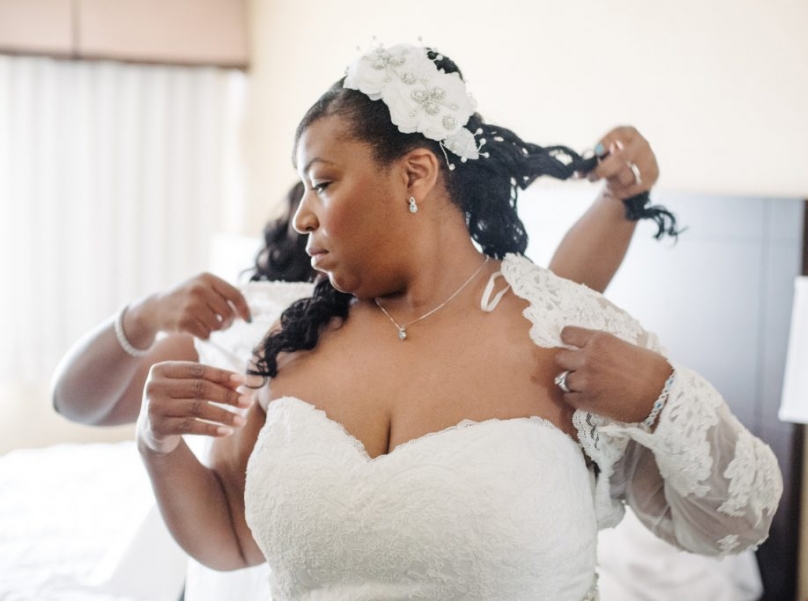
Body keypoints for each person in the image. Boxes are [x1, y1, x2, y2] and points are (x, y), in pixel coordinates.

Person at [131, 43, 781, 600]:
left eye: (321, 183)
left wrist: (662, 399)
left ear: (415, 174)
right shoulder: (288, 344)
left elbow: (738, 523)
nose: (301, 216)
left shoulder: (564, 337)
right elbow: (230, 535)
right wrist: (156, 446)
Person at [52, 128, 672, 599]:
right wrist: (144, 317)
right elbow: (74, 403)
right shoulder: (264, 324)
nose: (311, 221)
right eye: (310, 192)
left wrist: (620, 200)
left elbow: (554, 302)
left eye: (325, 186)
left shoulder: (473, 315)